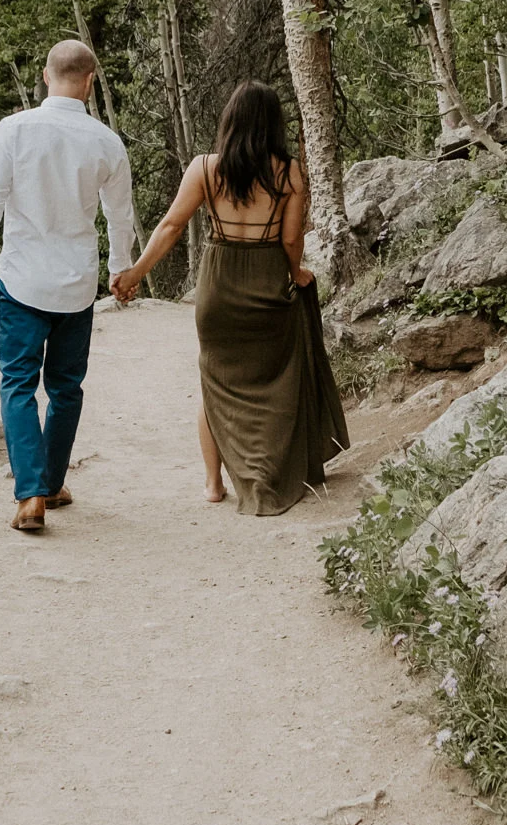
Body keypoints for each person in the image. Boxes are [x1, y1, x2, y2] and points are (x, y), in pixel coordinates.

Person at [113, 81, 348, 515]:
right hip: (266, 281)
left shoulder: (204, 168)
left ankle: (213, 483)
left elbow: (170, 227)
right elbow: (292, 237)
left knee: (215, 384)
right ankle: (268, 473)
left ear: (230, 122)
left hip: (219, 286)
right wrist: (294, 274)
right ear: (274, 124)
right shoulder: (288, 172)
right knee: (274, 384)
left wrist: (135, 274)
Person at [0, 38, 137, 534]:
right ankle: (51, 483)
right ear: (90, 80)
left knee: (18, 383)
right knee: (65, 388)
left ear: (45, 75)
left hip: (20, 280)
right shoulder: (106, 141)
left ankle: (30, 495)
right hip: (76, 284)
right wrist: (120, 269)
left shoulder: (13, 130)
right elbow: (118, 216)